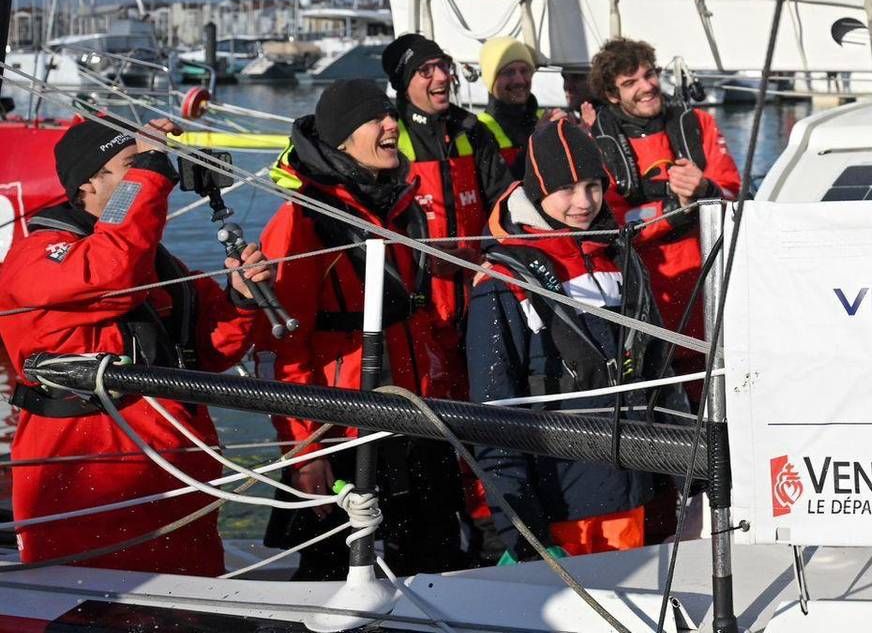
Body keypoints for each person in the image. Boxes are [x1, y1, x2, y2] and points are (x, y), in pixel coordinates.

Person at [0, 116, 267, 575]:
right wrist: (152, 169)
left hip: (176, 471)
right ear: (89, 184)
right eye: (132, 164)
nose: (152, 172)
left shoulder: (153, 261)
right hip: (90, 473)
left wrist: (241, 299)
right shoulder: (41, 255)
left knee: (193, 608)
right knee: (94, 609)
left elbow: (210, 353)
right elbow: (108, 277)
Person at [258, 79, 468, 579]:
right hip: (347, 434)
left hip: (419, 420)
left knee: (437, 564)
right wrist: (305, 451)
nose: (392, 124)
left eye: (391, 114)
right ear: (343, 140)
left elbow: (429, 320)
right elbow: (279, 348)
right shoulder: (302, 222)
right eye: (376, 118)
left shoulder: (402, 209)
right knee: (335, 577)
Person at [466, 119, 673, 559]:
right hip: (557, 504)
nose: (583, 202)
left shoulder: (622, 259)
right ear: (539, 192)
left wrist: (688, 480)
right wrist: (522, 532)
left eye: (593, 186)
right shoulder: (503, 281)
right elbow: (492, 415)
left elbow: (660, 374)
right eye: (567, 189)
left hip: (633, 495)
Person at [582, 38, 740, 343]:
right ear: (612, 95)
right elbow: (609, 223)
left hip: (707, 273)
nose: (647, 86)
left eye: (649, 74)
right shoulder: (596, 144)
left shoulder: (698, 124)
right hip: (645, 285)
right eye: (631, 82)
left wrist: (706, 188)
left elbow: (734, 194)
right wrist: (676, 208)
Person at [381, 33, 514, 368]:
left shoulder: (471, 131)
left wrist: (491, 257)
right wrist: (421, 256)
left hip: (480, 293)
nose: (441, 77)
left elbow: (505, 203)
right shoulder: (388, 138)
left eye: (443, 65)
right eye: (425, 70)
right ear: (403, 82)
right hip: (417, 304)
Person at [474, 36, 549, 172]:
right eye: (509, 72)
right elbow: (500, 187)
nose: (519, 80)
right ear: (491, 80)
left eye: (524, 71)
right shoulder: (479, 129)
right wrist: (537, 140)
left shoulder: (545, 119)